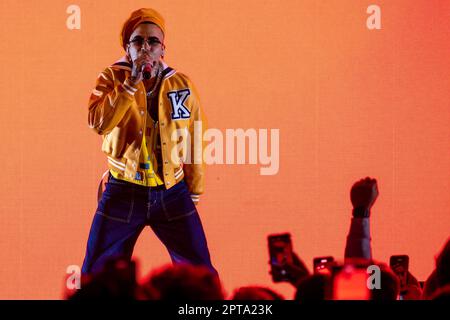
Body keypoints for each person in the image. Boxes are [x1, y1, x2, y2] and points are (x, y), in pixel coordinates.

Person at [81, 8, 216, 277]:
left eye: (153, 41)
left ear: (163, 48)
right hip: (123, 190)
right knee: (97, 273)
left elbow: (195, 137)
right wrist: (131, 83)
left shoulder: (181, 84)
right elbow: (98, 124)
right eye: (138, 41)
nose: (146, 48)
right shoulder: (111, 78)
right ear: (127, 47)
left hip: (171, 191)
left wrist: (195, 189)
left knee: (200, 272)